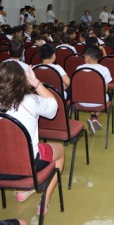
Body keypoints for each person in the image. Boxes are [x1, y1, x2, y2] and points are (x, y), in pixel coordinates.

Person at [0, 61, 64, 215]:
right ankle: (45, 200)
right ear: (23, 80)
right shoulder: (31, 101)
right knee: (60, 151)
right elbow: (53, 107)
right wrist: (36, 83)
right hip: (29, 164)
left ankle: (25, 189)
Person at [76, 45, 112, 134]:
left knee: (90, 94)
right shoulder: (104, 69)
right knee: (108, 96)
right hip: (98, 102)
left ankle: (94, 118)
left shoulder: (79, 68)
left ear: (88, 57)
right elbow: (105, 90)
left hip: (80, 101)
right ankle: (94, 118)